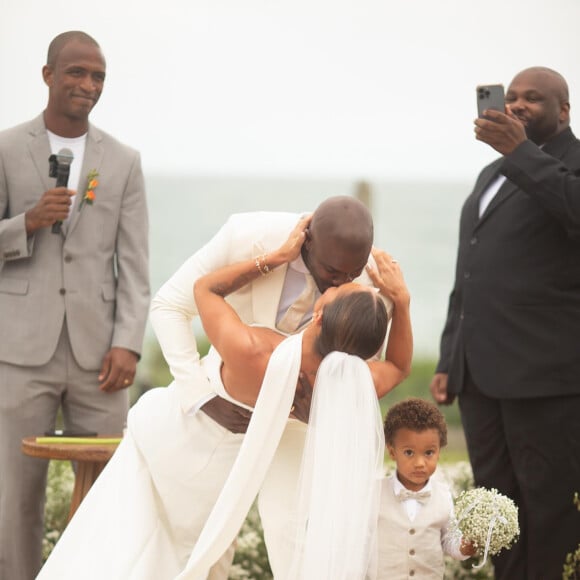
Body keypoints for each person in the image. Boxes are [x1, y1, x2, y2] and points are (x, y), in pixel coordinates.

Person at [38, 218, 413, 579]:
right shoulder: (355, 382)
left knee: (129, 542)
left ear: (318, 314)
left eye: (341, 289)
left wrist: (277, 258)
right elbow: (398, 365)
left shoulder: (255, 353)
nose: (342, 282)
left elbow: (204, 289)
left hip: (176, 441)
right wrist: (403, 302)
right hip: (220, 451)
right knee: (185, 550)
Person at [149, 194, 391, 576]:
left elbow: (364, 364)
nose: (344, 281)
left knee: (291, 532)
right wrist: (199, 395)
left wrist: (322, 407)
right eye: (333, 271)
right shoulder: (246, 235)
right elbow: (169, 305)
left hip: (298, 424)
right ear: (307, 240)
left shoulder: (370, 274)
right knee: (200, 537)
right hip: (227, 409)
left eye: (353, 272)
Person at [0, 31, 150, 580]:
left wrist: (128, 342)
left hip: (102, 361)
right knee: (13, 501)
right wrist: (27, 223)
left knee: (114, 491)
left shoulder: (125, 161)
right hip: (19, 353)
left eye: (98, 77)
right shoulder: (6, 148)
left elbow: (135, 265)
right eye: (77, 73)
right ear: (48, 76)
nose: (88, 85)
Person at [429, 66, 580, 580]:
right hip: (481, 376)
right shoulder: (490, 175)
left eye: (532, 99)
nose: (516, 104)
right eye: (509, 97)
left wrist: (519, 152)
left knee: (550, 506)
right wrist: (452, 356)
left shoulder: (571, 163)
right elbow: (468, 271)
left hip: (543, 378)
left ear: (563, 110)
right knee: (495, 507)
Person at [377, 398, 475, 579]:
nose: (420, 463)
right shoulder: (375, 494)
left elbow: (449, 539)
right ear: (392, 452)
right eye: (409, 453)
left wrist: (464, 547)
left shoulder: (443, 494)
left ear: (439, 451)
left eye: (429, 453)